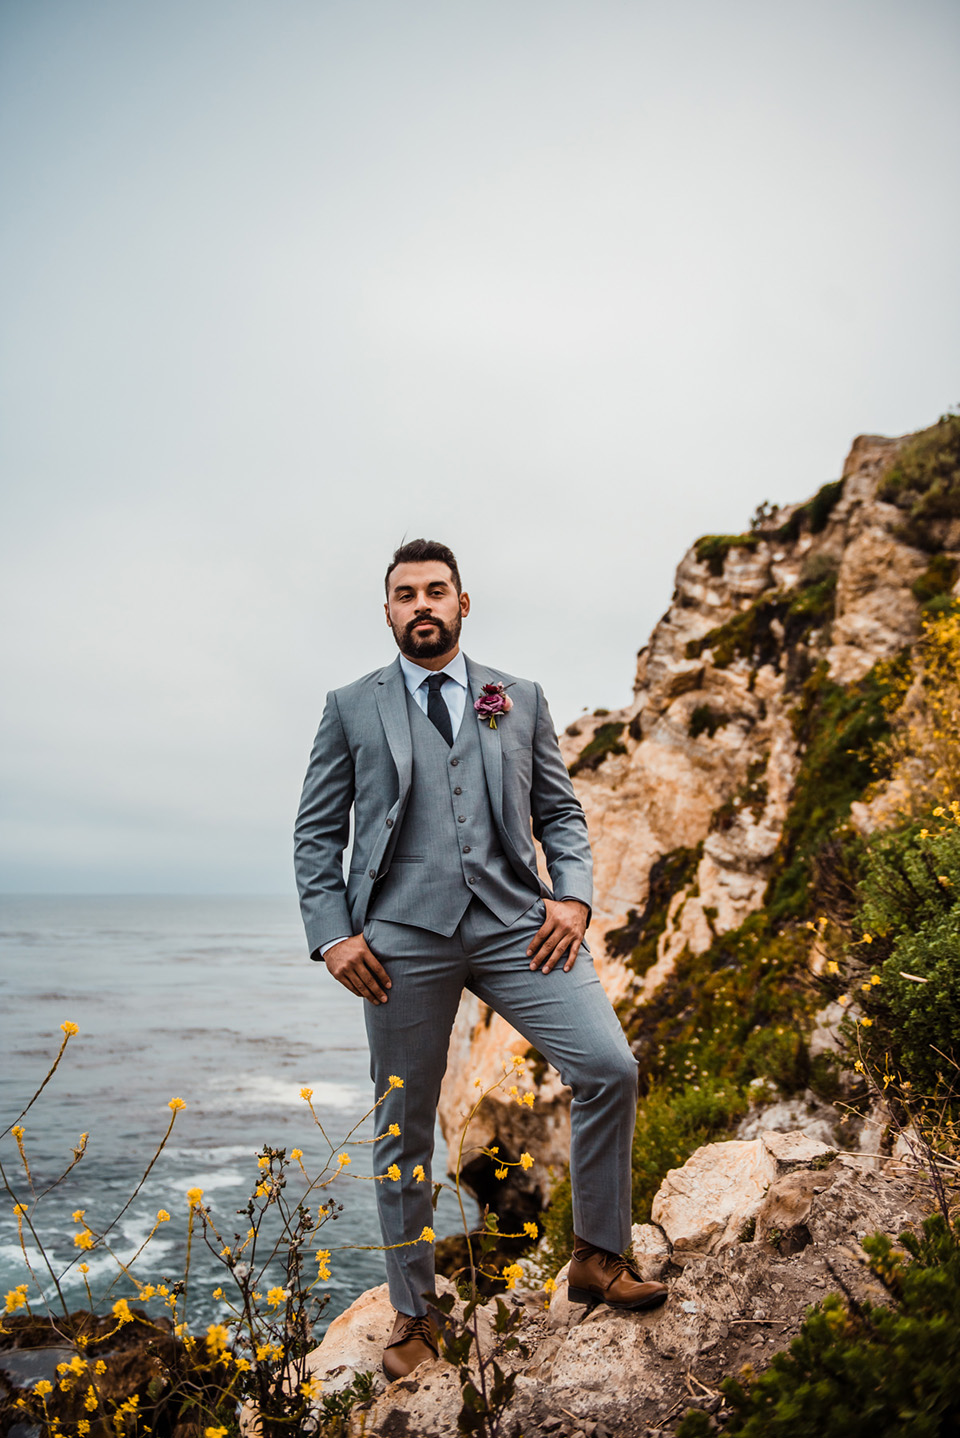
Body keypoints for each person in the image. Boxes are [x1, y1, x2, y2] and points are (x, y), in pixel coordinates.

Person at [294, 539, 666, 1380]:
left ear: (464, 602)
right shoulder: (351, 706)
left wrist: (570, 897)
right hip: (400, 940)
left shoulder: (518, 698)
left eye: (435, 591)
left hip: (515, 924)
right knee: (403, 1128)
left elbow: (560, 812)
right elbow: (317, 830)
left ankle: (598, 1256)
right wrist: (332, 933)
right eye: (403, 595)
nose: (420, 605)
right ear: (387, 610)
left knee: (609, 1067)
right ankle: (414, 1314)